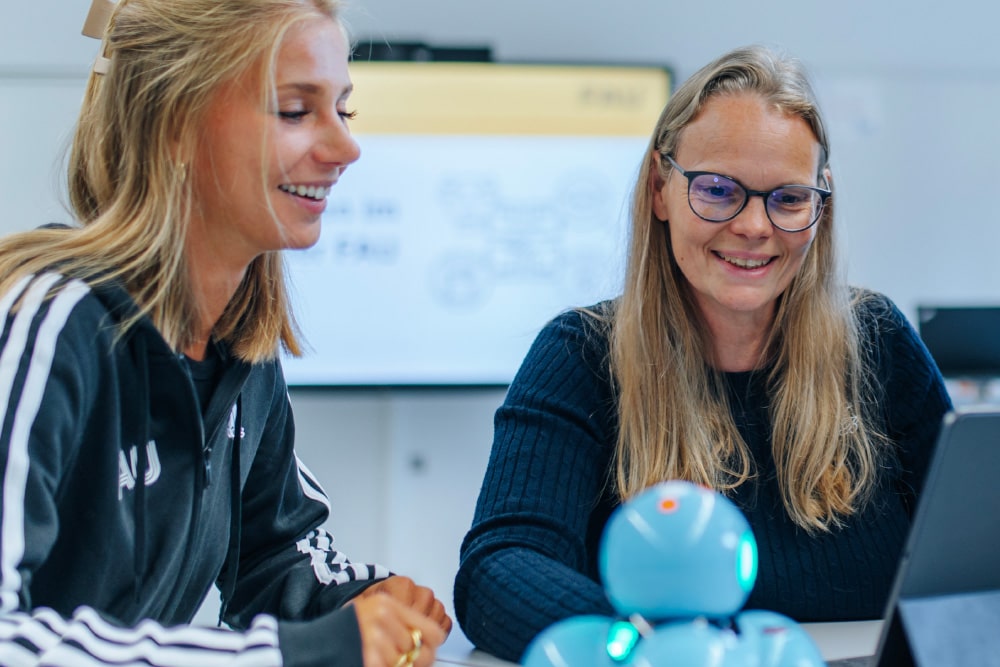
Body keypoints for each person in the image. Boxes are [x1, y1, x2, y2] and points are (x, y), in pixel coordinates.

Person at [454, 44, 953, 661]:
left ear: (820, 207)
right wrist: (650, 650)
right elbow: (499, 571)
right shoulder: (580, 357)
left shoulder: (877, 341)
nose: (754, 226)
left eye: (788, 199)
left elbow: (970, 549)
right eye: (718, 191)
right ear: (661, 190)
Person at [0, 0, 451, 665]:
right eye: (296, 111)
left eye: (343, 111)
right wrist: (286, 655)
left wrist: (362, 603)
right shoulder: (49, 320)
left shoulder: (240, 347)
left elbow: (275, 558)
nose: (345, 148)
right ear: (175, 124)